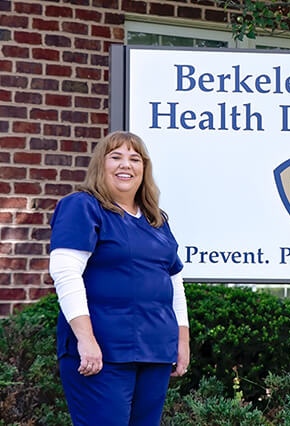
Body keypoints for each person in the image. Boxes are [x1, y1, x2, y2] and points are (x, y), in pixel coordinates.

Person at [49, 131, 190, 426]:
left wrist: (182, 341)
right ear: (101, 164)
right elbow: (65, 273)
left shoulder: (157, 220)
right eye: (116, 156)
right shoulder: (82, 206)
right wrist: (85, 340)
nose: (125, 164)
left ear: (144, 169)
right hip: (102, 353)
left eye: (134, 159)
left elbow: (174, 281)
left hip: (155, 352)